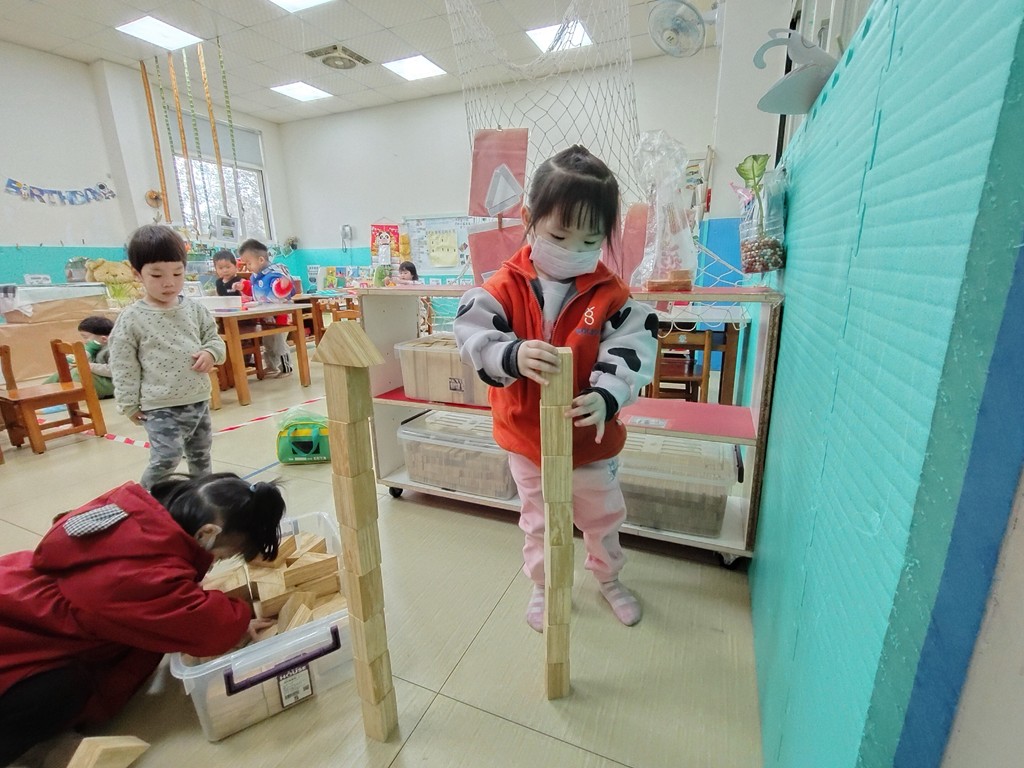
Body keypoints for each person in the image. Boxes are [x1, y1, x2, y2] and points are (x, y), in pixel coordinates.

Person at [454, 145, 658, 631]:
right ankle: (543, 587)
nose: (573, 249)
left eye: (590, 239)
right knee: (539, 521)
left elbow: (634, 347)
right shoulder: (502, 287)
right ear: (530, 220)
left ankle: (608, 578)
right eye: (560, 235)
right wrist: (511, 354)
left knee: (602, 517)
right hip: (529, 440)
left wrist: (607, 396)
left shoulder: (611, 296)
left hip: (589, 442)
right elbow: (471, 335)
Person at [0, 472, 285, 766]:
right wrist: (239, 619)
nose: (216, 561)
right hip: (17, 640)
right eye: (223, 555)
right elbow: (208, 628)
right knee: (61, 693)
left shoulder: (134, 517)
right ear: (206, 533)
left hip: (16, 591)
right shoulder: (140, 577)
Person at [108, 225, 226, 490]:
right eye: (157, 275)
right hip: (159, 405)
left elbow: (214, 339)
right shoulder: (132, 318)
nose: (169, 282)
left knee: (201, 455)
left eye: (177, 273)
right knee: (167, 456)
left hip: (197, 399)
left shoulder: (194, 309)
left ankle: (202, 497)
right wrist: (128, 403)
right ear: (137, 274)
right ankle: (143, 499)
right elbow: (123, 364)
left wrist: (211, 353)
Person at [237, 239, 294, 375]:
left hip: (280, 317)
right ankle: (272, 365)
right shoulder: (256, 277)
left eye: (249, 263)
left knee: (279, 343)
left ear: (261, 260)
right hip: (266, 317)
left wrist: (283, 286)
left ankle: (286, 368)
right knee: (268, 342)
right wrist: (243, 286)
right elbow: (254, 292)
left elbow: (280, 289)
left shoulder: (274, 273)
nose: (247, 267)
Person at [44, 316, 115, 398]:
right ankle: (44, 392)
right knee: (66, 371)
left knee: (78, 373)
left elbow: (113, 370)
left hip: (112, 384)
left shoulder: (111, 350)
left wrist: (87, 365)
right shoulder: (97, 349)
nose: (84, 341)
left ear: (104, 339)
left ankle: (69, 396)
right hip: (101, 379)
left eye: (85, 337)